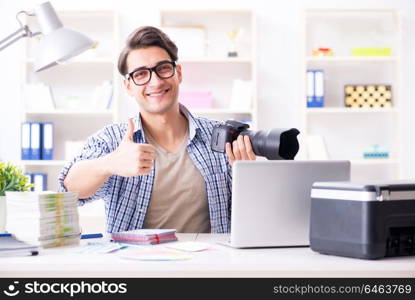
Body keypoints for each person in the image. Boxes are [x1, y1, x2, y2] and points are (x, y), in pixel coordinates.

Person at [59, 26, 256, 234]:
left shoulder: (219, 136)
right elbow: (69, 189)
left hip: (207, 264)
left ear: (178, 73)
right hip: (135, 265)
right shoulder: (113, 140)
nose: (155, 82)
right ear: (128, 86)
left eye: (163, 68)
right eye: (141, 74)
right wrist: (110, 163)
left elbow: (249, 215)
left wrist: (248, 176)